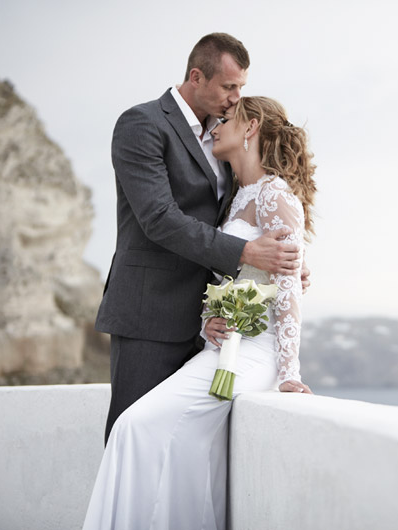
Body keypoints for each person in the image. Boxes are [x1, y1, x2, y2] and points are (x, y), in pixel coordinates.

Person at [82, 96, 315, 530]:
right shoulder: (235, 195)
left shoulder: (274, 193)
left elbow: (286, 293)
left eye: (228, 118)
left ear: (250, 128)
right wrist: (209, 322)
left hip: (252, 355)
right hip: (219, 347)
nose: (217, 125)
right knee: (172, 446)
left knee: (135, 426)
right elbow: (230, 275)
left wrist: (288, 372)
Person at [95, 33, 309, 443]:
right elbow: (159, 218)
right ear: (197, 76)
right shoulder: (142, 124)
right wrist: (247, 252)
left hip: (211, 327)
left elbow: (244, 212)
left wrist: (280, 263)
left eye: (241, 88)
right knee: (133, 432)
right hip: (149, 314)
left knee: (183, 447)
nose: (235, 98)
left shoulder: (223, 140)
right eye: (229, 87)